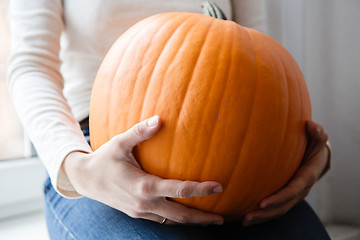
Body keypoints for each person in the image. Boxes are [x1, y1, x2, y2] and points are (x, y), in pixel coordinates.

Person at [7, 0, 331, 239]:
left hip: (235, 160)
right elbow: (31, 66)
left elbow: (263, 64)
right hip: (98, 153)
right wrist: (78, 168)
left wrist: (311, 151)